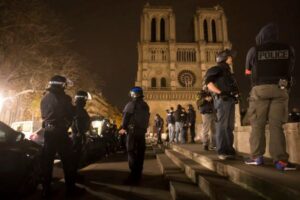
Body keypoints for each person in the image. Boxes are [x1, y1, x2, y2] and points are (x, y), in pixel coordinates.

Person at [244, 23, 296, 170]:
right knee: (276, 126)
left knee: (257, 125)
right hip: (281, 88)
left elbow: (247, 72)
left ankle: (256, 157)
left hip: (260, 89)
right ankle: (280, 161)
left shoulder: (254, 50)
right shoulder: (288, 48)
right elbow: (290, 68)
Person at [40, 75, 84, 197]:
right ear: (61, 85)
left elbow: (44, 116)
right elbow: (72, 113)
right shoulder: (65, 98)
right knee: (68, 161)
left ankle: (46, 190)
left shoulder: (45, 97)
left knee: (47, 162)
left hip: (48, 133)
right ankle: (70, 189)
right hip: (60, 132)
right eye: (64, 85)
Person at [205, 49, 239, 160]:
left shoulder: (228, 72)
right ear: (224, 58)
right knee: (222, 125)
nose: (231, 58)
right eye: (229, 57)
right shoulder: (216, 69)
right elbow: (208, 84)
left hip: (230, 100)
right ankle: (222, 150)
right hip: (222, 100)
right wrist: (220, 92)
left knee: (229, 126)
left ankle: (229, 150)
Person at [119, 87, 150, 184]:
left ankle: (133, 175)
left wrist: (123, 128)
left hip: (132, 131)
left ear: (133, 94)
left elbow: (125, 117)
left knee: (131, 151)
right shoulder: (145, 105)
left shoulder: (131, 104)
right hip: (142, 132)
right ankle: (138, 174)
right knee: (140, 153)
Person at [71, 90, 90, 176]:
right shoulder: (79, 109)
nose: (86, 101)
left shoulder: (77, 108)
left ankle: (75, 173)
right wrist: (80, 133)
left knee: (77, 154)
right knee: (76, 155)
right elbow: (77, 120)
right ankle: (74, 174)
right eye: (85, 99)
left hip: (77, 134)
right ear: (83, 99)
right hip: (78, 135)